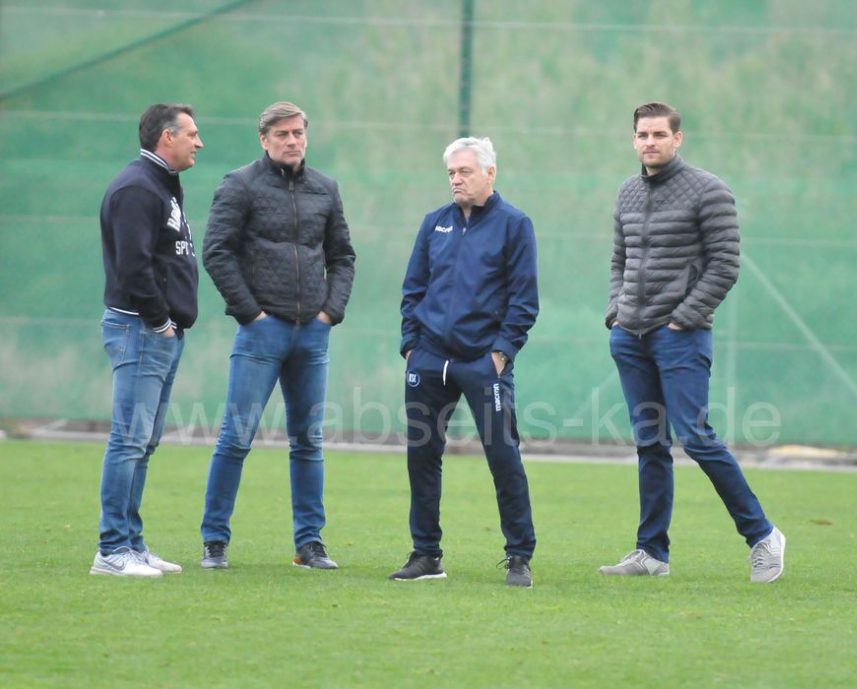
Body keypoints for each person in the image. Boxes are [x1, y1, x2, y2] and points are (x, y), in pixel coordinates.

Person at [600, 102, 786, 583]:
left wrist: (683, 318)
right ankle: (651, 552)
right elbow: (620, 259)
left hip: (680, 337)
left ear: (677, 138)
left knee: (696, 437)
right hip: (630, 337)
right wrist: (616, 312)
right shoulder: (626, 192)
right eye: (642, 135)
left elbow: (726, 264)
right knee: (650, 444)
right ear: (633, 139)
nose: (650, 142)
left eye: (659, 134)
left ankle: (763, 536)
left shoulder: (709, 190)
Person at [199, 102, 355, 571]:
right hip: (261, 335)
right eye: (282, 134)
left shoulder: (325, 188)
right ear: (263, 139)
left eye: (298, 133)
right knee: (236, 437)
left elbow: (342, 257)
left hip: (312, 336)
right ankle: (214, 541)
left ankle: (310, 544)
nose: (292, 141)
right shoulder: (240, 185)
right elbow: (216, 252)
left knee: (308, 442)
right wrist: (253, 315)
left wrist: (330, 313)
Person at [392, 136, 539, 587]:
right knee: (422, 456)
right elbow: (413, 289)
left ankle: (518, 556)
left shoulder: (515, 224)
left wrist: (500, 353)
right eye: (451, 173)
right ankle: (426, 555)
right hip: (428, 360)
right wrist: (412, 346)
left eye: (464, 172)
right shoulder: (434, 223)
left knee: (503, 456)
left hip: (482, 362)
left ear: (490, 173)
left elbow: (524, 300)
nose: (456, 179)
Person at [91, 103, 203, 577]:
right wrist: (159, 322)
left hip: (158, 331)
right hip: (140, 329)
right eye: (191, 134)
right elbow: (134, 266)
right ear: (166, 137)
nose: (198, 142)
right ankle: (112, 549)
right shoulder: (138, 188)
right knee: (129, 440)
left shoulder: (161, 184)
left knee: (144, 442)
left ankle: (132, 543)